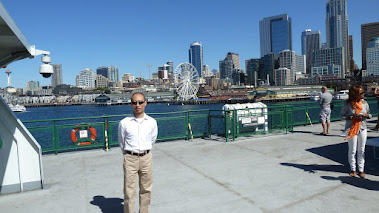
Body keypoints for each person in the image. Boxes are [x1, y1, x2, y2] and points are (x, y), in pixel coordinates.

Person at [118, 92, 158, 213]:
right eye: (134, 102)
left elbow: (153, 139)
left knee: (146, 189)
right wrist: (128, 154)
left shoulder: (152, 122)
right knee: (129, 190)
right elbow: (121, 141)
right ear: (131, 104)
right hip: (130, 158)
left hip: (146, 157)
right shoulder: (124, 123)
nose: (137, 105)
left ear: (145, 103)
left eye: (140, 102)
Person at [340, 85, 372, 178]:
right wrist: (351, 117)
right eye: (361, 93)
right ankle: (353, 169)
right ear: (355, 94)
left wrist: (366, 115)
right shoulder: (347, 104)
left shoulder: (365, 103)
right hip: (351, 128)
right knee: (352, 150)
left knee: (361, 150)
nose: (363, 94)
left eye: (363, 92)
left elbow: (370, 115)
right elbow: (341, 116)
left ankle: (361, 170)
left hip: (362, 127)